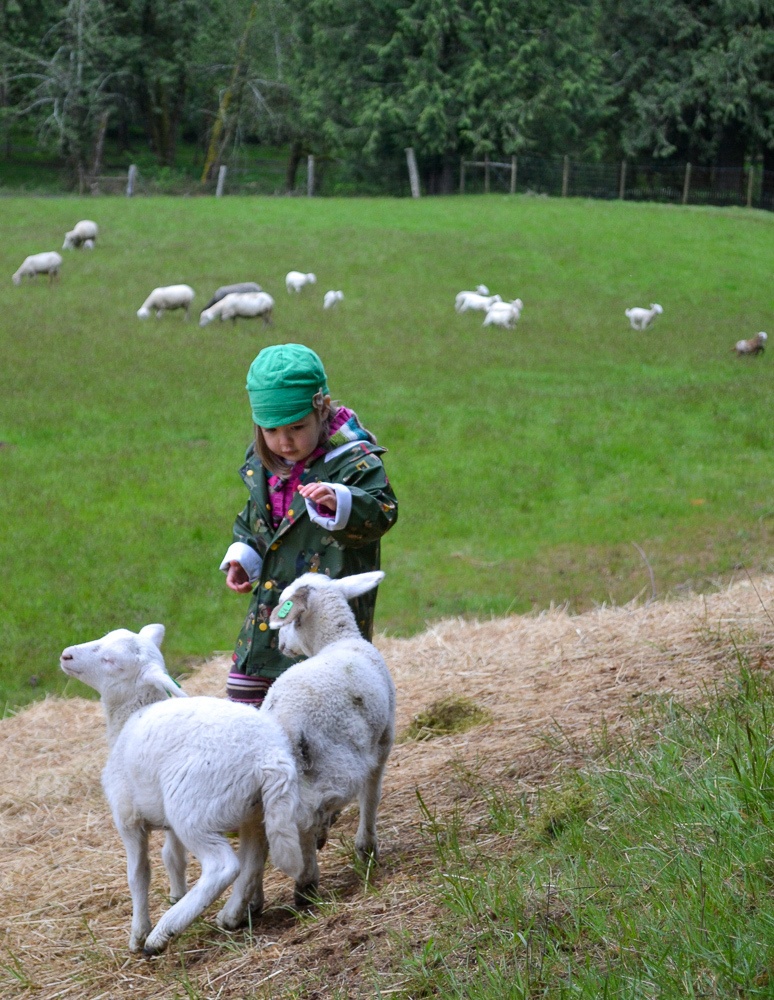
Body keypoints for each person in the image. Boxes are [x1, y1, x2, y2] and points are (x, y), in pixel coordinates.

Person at [220, 343, 399, 706]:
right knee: (244, 700)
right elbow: (255, 520)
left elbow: (382, 513)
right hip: (270, 615)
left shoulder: (353, 462)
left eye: (297, 427)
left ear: (323, 407)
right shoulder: (263, 464)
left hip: (323, 622)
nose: (283, 441)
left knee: (316, 713)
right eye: (270, 430)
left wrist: (342, 503)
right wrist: (243, 556)